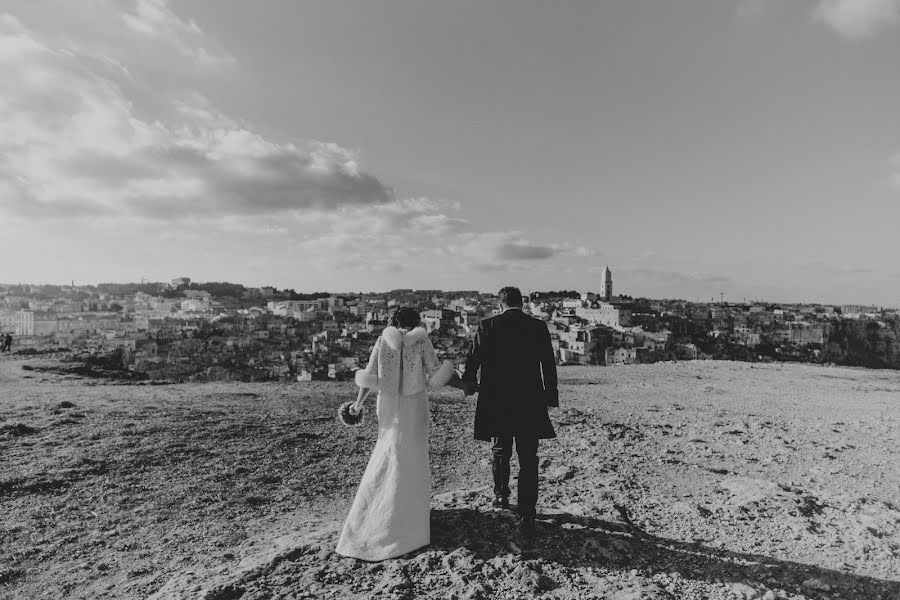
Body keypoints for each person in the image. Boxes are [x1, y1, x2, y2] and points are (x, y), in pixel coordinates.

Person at [336, 306, 459, 561]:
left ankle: (373, 516)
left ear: (393, 321)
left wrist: (357, 405)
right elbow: (436, 374)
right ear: (416, 322)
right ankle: (410, 522)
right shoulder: (421, 340)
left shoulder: (383, 340)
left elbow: (370, 376)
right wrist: (462, 380)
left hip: (389, 404)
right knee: (412, 457)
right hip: (415, 404)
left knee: (387, 451)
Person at [462, 286, 558, 538]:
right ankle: (527, 512)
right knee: (529, 457)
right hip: (530, 399)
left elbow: (474, 358)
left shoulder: (487, 326)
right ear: (522, 303)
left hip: (497, 398)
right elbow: (548, 363)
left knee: (500, 449)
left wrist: (469, 383)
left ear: (500, 304)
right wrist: (550, 395)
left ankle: (501, 497)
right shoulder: (537, 327)